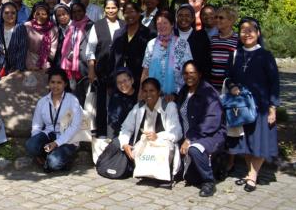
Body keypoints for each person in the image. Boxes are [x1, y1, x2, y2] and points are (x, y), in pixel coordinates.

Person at [225, 18, 280, 193]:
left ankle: (253, 176)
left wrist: (273, 107)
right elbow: (228, 76)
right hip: (241, 107)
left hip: (261, 106)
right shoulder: (235, 54)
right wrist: (232, 86)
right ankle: (250, 172)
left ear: (258, 33)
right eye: (243, 30)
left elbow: (274, 83)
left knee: (259, 141)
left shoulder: (266, 55)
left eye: (250, 30)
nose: (247, 34)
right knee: (246, 141)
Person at [176, 61, 226, 197]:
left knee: (194, 149)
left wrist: (190, 138)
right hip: (187, 134)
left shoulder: (209, 93)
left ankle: (209, 181)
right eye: (185, 73)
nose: (188, 76)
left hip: (209, 135)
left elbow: (210, 122)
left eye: (192, 73)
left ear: (199, 74)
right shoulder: (184, 91)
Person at [117, 78, 183, 179]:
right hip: (143, 146)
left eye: (152, 91)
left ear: (158, 92)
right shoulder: (138, 107)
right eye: (145, 91)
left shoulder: (169, 106)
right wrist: (125, 144)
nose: (148, 94)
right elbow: (126, 127)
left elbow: (177, 132)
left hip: (162, 146)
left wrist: (158, 137)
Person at [26, 68, 83, 172]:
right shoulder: (42, 102)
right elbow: (36, 126)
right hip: (48, 135)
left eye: (59, 82)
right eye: (52, 82)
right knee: (30, 145)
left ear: (65, 84)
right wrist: (37, 145)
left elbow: (75, 126)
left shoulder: (72, 100)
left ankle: (53, 160)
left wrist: (56, 143)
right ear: (48, 83)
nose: (55, 86)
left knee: (54, 162)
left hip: (67, 138)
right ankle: (48, 156)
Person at [86, 0, 125, 136]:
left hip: (120, 72)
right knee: (102, 104)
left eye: (113, 7)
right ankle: (102, 133)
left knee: (119, 103)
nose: (110, 10)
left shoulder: (123, 25)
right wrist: (91, 70)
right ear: (104, 9)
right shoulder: (97, 25)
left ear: (118, 8)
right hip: (102, 71)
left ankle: (117, 133)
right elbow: (90, 50)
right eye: (108, 8)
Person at [141, 11, 193, 101]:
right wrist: (141, 94)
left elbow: (188, 70)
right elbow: (146, 70)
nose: (162, 26)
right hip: (153, 96)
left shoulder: (182, 44)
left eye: (165, 23)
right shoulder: (151, 44)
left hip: (176, 95)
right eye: (159, 23)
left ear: (172, 24)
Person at [110, 1, 154, 93]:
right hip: (119, 82)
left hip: (138, 82)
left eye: (132, 11)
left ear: (139, 13)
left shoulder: (148, 34)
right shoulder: (118, 33)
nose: (129, 15)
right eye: (126, 12)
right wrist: (110, 81)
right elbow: (112, 58)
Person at [59, 1, 92, 98]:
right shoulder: (72, 26)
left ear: (84, 11)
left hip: (84, 66)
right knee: (75, 96)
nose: (77, 14)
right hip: (71, 66)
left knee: (85, 98)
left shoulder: (91, 25)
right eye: (74, 12)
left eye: (79, 11)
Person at [0, 1, 27, 82]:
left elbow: (22, 50)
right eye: (6, 13)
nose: (10, 15)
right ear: (2, 14)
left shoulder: (20, 28)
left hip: (15, 71)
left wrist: (17, 70)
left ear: (17, 14)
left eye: (13, 13)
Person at [174, 4, 211, 77]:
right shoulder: (171, 35)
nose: (183, 18)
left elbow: (206, 62)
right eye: (180, 15)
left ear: (193, 18)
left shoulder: (201, 36)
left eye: (187, 15)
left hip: (195, 79)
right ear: (176, 18)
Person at [209, 6, 239, 91]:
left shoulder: (238, 39)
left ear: (231, 21)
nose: (217, 20)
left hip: (230, 87)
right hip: (213, 86)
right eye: (216, 17)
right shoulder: (214, 38)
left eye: (221, 18)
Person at [24, 2, 58, 71]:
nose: (40, 16)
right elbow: (23, 48)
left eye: (44, 14)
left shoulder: (53, 29)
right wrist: (29, 64)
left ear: (48, 15)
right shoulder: (27, 26)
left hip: (46, 63)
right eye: (38, 14)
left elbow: (53, 50)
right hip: (27, 61)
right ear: (33, 15)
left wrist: (45, 63)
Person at [107, 68, 138, 138]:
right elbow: (113, 120)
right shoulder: (116, 97)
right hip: (122, 134)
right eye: (119, 82)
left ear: (132, 80)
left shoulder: (140, 95)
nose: (123, 84)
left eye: (125, 80)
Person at [52, 3, 71, 67]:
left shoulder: (77, 28)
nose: (62, 17)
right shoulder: (54, 31)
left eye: (64, 14)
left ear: (69, 14)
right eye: (59, 16)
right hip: (59, 66)